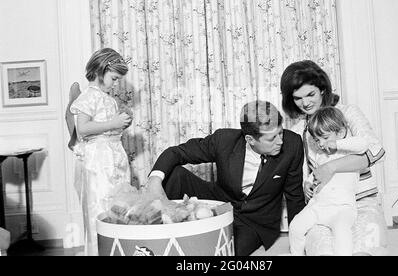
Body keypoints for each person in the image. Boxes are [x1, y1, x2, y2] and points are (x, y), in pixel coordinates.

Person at [145, 100, 305, 256]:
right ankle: (162, 234)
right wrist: (154, 181)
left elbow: (294, 196)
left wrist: (298, 242)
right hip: (222, 201)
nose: (280, 141)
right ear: (250, 139)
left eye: (281, 133)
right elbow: (177, 152)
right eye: (272, 138)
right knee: (174, 174)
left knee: (225, 251)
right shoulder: (224, 140)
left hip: (255, 221)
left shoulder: (293, 144)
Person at [281, 60, 387, 256]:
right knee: (323, 250)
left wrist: (331, 167)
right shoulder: (299, 131)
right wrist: (307, 185)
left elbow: (376, 151)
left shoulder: (348, 113)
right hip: (322, 206)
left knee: (364, 250)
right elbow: (306, 172)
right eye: (298, 98)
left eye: (310, 94)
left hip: (362, 201)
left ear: (322, 89)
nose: (305, 103)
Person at [70, 48, 132, 256]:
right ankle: (101, 251)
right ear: (100, 70)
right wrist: (113, 123)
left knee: (119, 204)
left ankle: (118, 249)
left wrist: (120, 124)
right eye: (114, 79)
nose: (115, 84)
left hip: (114, 154)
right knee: (100, 205)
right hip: (99, 158)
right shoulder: (89, 96)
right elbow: (83, 129)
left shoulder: (108, 98)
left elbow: (105, 126)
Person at [289, 107, 371, 256]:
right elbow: (316, 172)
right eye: (317, 140)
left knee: (342, 232)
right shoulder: (322, 155)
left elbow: (363, 144)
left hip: (342, 209)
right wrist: (307, 183)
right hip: (318, 206)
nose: (320, 144)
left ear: (340, 132)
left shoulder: (350, 151)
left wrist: (338, 144)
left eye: (325, 138)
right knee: (295, 226)